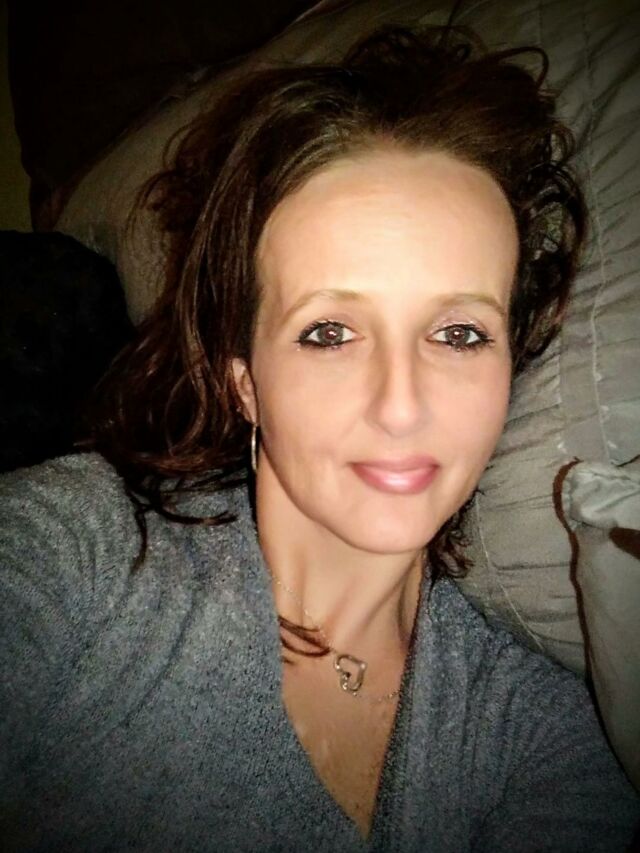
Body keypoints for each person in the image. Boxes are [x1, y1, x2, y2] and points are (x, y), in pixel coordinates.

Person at [1, 25, 638, 852]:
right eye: (329, 332)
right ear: (242, 378)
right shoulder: (68, 553)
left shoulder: (544, 735)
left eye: (459, 334)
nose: (402, 406)